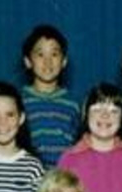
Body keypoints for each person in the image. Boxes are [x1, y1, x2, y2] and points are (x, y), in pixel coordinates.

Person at [20, 24, 81, 168]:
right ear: (28, 61)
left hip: (63, 175)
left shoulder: (73, 104)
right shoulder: (19, 101)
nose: (47, 61)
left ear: (64, 61)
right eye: (40, 54)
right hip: (29, 174)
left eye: (54, 54)